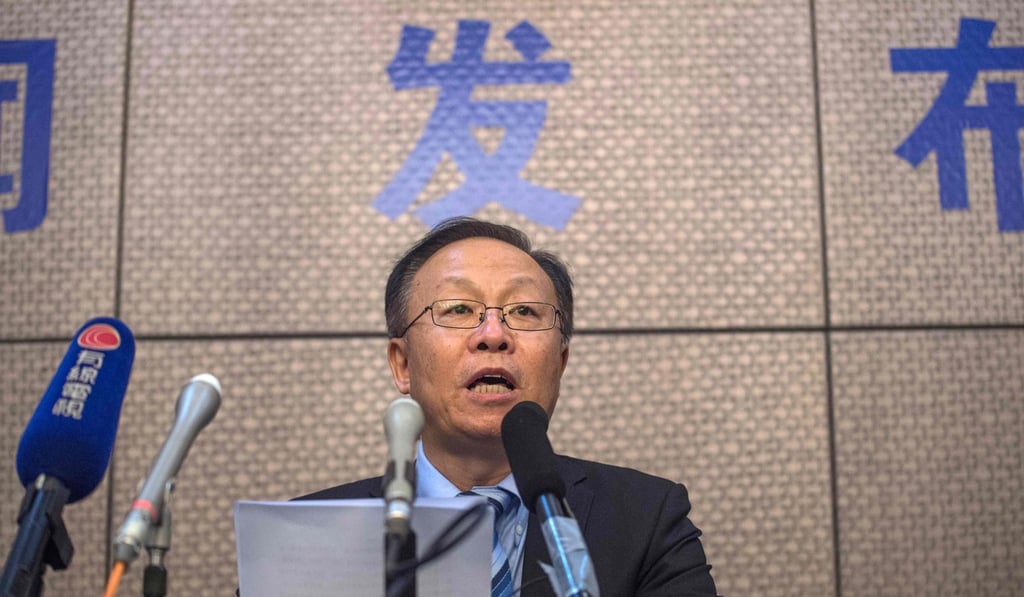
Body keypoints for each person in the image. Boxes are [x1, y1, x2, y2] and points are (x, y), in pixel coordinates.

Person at [298, 217, 717, 596]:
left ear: (560, 362)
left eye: (524, 311)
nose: (493, 334)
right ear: (402, 363)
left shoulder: (647, 517)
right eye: (459, 309)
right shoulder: (306, 536)